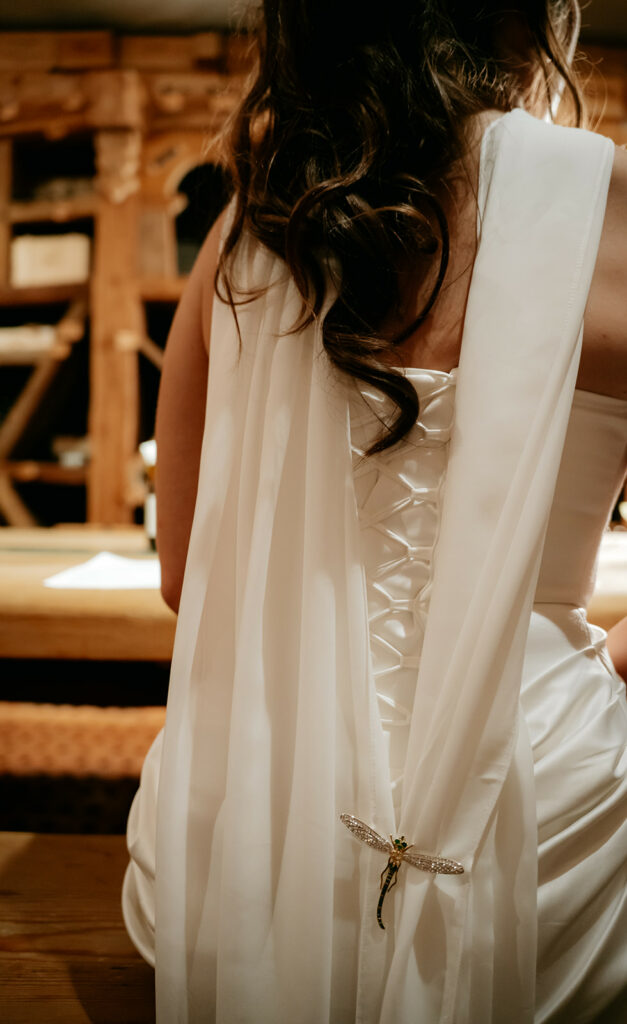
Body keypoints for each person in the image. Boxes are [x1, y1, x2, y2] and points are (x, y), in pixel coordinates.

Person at [122, 2, 627, 1021]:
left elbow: (187, 578)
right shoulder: (608, 206)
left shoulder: (247, 237)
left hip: (238, 855)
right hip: (546, 843)